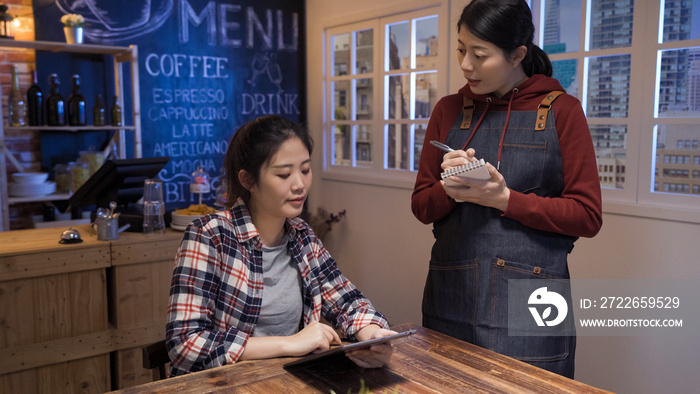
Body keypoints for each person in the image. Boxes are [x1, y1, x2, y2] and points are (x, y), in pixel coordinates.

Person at [411, 0, 602, 378]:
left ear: (518, 54)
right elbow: (421, 207)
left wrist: (505, 200)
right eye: (462, 50)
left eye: (480, 55)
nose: (466, 65)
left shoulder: (562, 111)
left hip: (533, 301)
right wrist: (450, 188)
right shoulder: (448, 110)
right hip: (454, 291)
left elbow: (587, 215)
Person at [166, 115, 395, 376]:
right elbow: (184, 344)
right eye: (284, 174)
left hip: (284, 382)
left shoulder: (302, 235)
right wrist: (290, 343)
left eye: (305, 170)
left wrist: (374, 338)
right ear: (247, 180)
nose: (300, 185)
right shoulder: (210, 236)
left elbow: (348, 303)